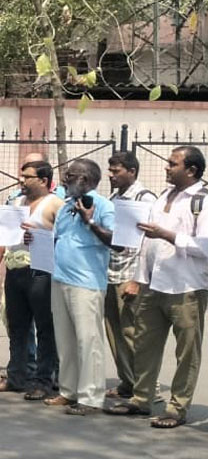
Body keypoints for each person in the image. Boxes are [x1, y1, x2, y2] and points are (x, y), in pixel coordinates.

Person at [110, 146, 208, 428]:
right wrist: (138, 279)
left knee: (186, 350)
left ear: (191, 170)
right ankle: (141, 399)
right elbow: (145, 243)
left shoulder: (201, 200)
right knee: (145, 343)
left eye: (172, 163)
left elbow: (205, 246)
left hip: (187, 286)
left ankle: (177, 407)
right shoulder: (164, 195)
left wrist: (167, 235)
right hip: (155, 284)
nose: (166, 167)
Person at [38, 159, 116, 416]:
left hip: (86, 283)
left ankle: (91, 397)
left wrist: (90, 221)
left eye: (69, 175)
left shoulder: (103, 205)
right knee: (66, 340)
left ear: (84, 180)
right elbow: (58, 238)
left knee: (88, 341)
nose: (63, 179)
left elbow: (116, 242)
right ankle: (68, 390)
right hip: (60, 278)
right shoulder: (66, 206)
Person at [0, 160, 63, 397]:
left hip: (41, 271)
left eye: (27, 177)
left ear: (43, 180)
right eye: (21, 176)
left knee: (45, 327)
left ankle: (43, 380)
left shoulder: (55, 205)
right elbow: (3, 235)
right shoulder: (16, 202)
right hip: (16, 270)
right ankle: (17, 376)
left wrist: (40, 236)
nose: (22, 181)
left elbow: (65, 239)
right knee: (17, 327)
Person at [102, 151, 156, 400]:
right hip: (110, 271)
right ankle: (128, 382)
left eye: (117, 171)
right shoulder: (115, 197)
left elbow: (149, 242)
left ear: (132, 171)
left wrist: (137, 279)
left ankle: (147, 387)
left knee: (133, 332)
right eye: (110, 170)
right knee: (115, 331)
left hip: (130, 273)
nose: (111, 175)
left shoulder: (144, 198)